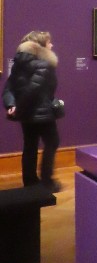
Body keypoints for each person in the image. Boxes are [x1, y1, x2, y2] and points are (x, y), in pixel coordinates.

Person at [2, 31, 62, 192]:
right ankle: (47, 181)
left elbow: (9, 88)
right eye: (48, 42)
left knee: (30, 145)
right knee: (52, 142)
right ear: (40, 47)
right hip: (41, 113)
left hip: (26, 114)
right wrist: (18, 108)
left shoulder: (19, 63)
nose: (51, 45)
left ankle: (30, 182)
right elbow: (33, 90)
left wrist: (11, 105)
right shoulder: (44, 64)